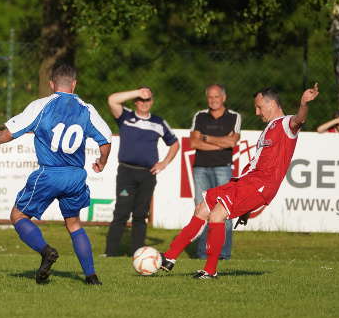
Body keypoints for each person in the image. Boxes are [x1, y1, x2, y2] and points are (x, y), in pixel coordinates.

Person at [161, 84, 319, 279]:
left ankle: (210, 271)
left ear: (272, 104)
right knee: (202, 208)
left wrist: (303, 103)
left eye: (259, 107)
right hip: (246, 181)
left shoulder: (286, 124)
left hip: (259, 184)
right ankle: (169, 257)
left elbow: (299, 119)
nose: (256, 112)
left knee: (216, 215)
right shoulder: (270, 126)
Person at [0, 63, 112, 285]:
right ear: (74, 84)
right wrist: (102, 161)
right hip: (75, 176)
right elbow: (106, 140)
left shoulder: (42, 105)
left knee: (18, 216)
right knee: (74, 224)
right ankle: (91, 276)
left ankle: (46, 251)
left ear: (52, 84)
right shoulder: (87, 109)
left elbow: (12, 131)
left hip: (49, 173)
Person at [104, 87, 179, 257]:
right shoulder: (126, 116)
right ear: (136, 102)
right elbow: (112, 99)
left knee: (140, 214)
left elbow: (174, 144)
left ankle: (137, 254)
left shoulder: (159, 122)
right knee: (121, 212)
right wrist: (138, 92)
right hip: (126, 173)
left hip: (147, 175)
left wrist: (164, 163)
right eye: (141, 100)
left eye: (148, 100)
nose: (144, 103)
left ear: (152, 102)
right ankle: (110, 253)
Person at [188, 84, 241, 260]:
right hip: (201, 168)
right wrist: (221, 142)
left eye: (216, 96)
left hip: (223, 168)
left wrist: (206, 138)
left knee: (224, 210)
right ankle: (203, 253)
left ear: (223, 98)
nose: (213, 100)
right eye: (210, 97)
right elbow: (194, 143)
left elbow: (232, 143)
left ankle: (223, 254)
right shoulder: (200, 116)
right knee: (202, 210)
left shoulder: (234, 117)